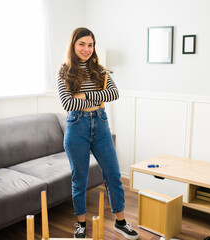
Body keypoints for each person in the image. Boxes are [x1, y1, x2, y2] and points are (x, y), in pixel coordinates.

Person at [57, 27, 139, 240]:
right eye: (82, 44)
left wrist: (83, 95)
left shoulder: (100, 70)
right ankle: (81, 225)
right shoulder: (64, 71)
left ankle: (121, 222)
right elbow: (68, 102)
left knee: (113, 174)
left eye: (90, 45)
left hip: (101, 124)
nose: (86, 49)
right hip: (77, 126)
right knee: (79, 179)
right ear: (73, 45)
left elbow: (113, 93)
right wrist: (95, 96)